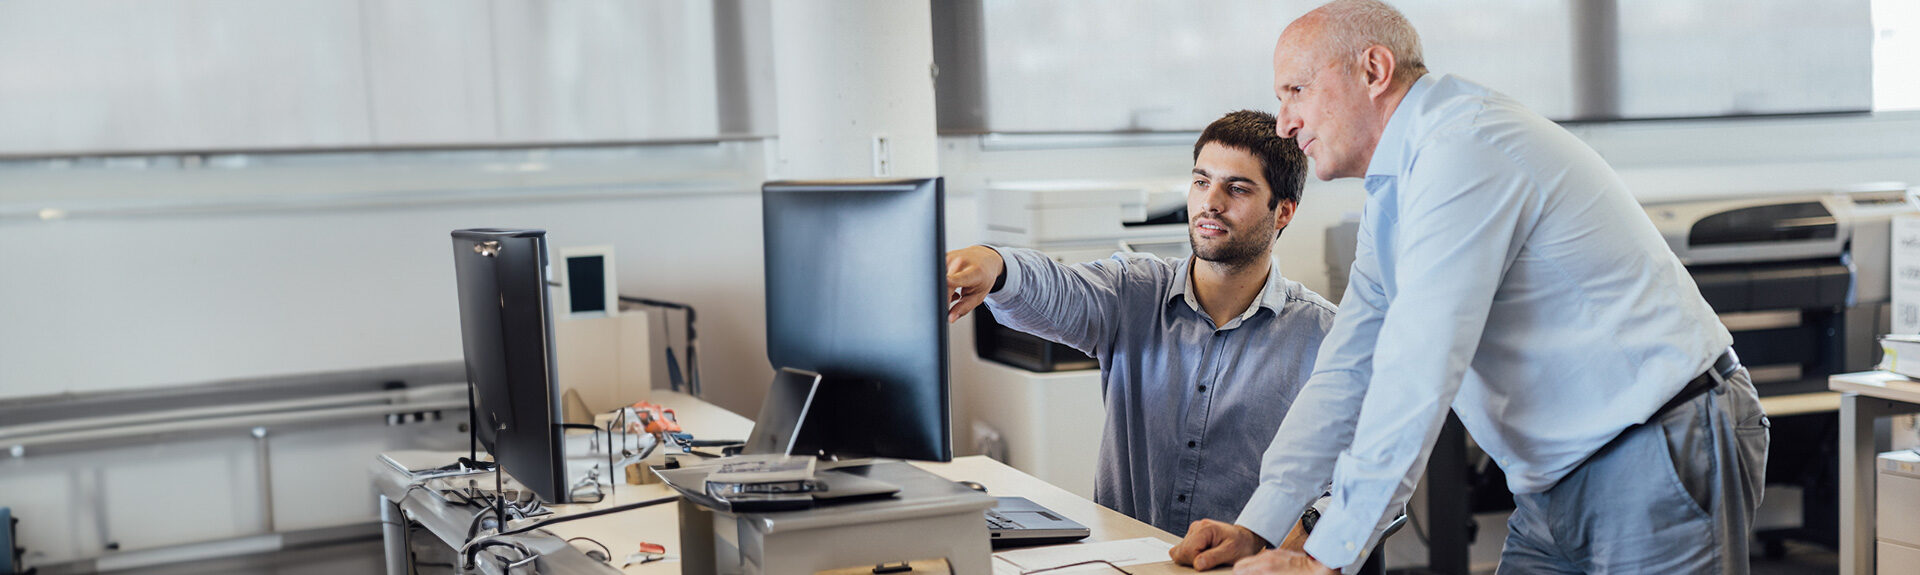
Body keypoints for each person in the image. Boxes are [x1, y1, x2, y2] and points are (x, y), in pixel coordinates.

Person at [1168, 1, 1769, 573]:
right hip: (1554, 481)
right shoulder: (1397, 189)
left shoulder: (1464, 147)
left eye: (1296, 90)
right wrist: (1261, 527)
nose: (1285, 122)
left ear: (1373, 70)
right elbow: (1350, 366)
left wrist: (1328, 552)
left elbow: (1417, 366)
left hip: (1654, 444)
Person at [945, 110, 1337, 536]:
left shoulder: (1322, 334)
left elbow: (1363, 473)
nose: (1210, 203)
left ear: (1283, 212)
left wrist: (1309, 530)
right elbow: (1062, 290)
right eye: (1201, 181)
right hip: (1127, 559)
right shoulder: (1135, 289)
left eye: (1237, 188)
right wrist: (997, 265)